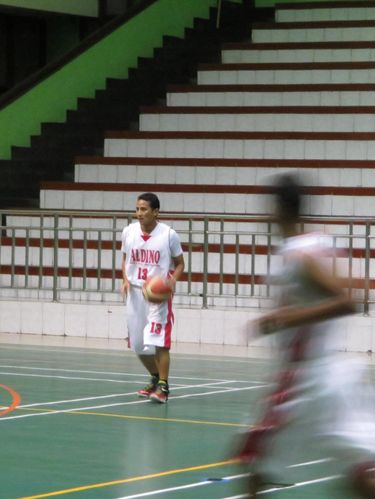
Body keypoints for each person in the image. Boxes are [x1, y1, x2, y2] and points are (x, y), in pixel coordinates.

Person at [238, 174, 375, 498]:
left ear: (279, 208)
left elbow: (347, 301)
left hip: (304, 379)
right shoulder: (313, 245)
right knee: (358, 476)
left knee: (254, 460)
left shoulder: (298, 256)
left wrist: (285, 318)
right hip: (329, 377)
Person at [120, 192, 184, 403]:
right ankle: (155, 378)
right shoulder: (128, 232)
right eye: (137, 209)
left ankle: (164, 387)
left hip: (157, 297)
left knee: (159, 342)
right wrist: (125, 279)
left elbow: (180, 263)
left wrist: (171, 282)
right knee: (138, 345)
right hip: (135, 293)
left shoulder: (168, 235)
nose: (139, 213)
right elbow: (125, 258)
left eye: (144, 209)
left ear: (156, 212)